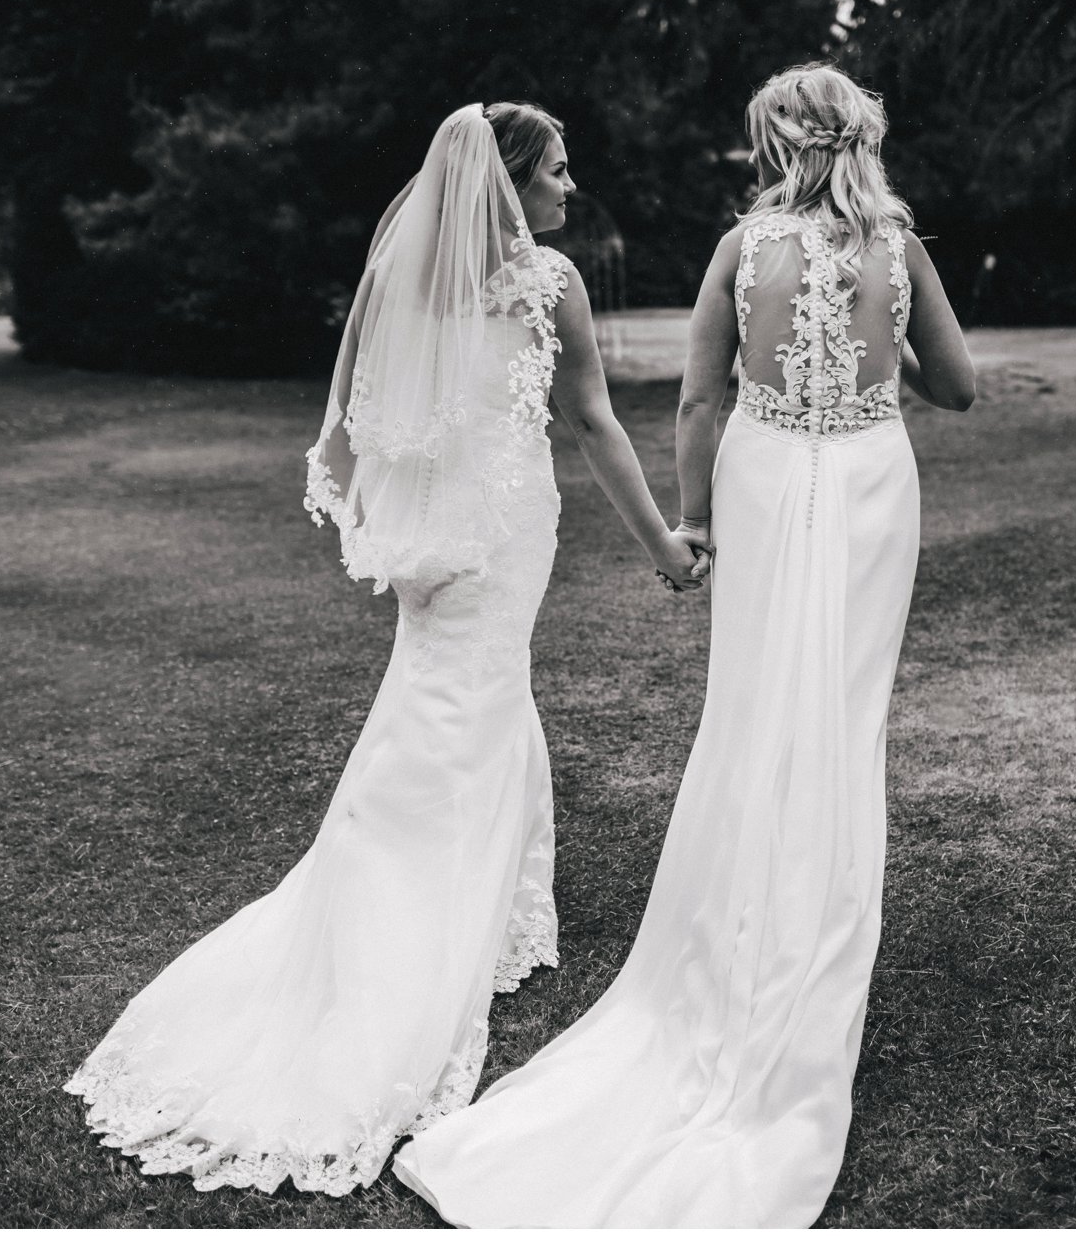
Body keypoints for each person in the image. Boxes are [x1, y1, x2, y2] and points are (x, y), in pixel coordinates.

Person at [63, 101, 708, 1195]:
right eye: (555, 172)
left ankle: (493, 909)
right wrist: (666, 547)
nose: (569, 189)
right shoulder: (547, 283)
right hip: (502, 535)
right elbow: (591, 423)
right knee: (470, 706)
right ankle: (416, 933)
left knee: (454, 702)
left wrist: (408, 510)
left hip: (442, 542)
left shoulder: (402, 279)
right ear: (507, 185)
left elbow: (364, 417)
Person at [391, 63, 979, 1227]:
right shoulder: (901, 247)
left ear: (776, 143)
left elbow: (700, 403)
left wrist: (695, 519)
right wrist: (893, 343)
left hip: (763, 480)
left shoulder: (739, 250)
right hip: (869, 479)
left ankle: (733, 930)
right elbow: (957, 390)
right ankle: (815, 930)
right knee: (844, 718)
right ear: (858, 139)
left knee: (754, 707)